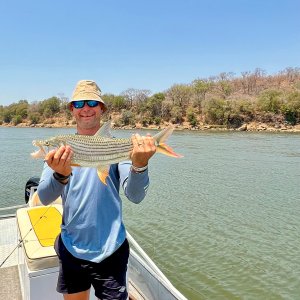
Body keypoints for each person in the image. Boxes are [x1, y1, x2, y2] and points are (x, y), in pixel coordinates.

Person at [37, 80, 156, 300]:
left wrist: (140, 165)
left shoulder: (114, 145)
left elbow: (136, 195)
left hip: (112, 248)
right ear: (72, 109)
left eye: (92, 102)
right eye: (79, 103)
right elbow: (44, 197)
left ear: (102, 108)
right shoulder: (61, 148)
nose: (86, 108)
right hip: (72, 246)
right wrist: (60, 174)